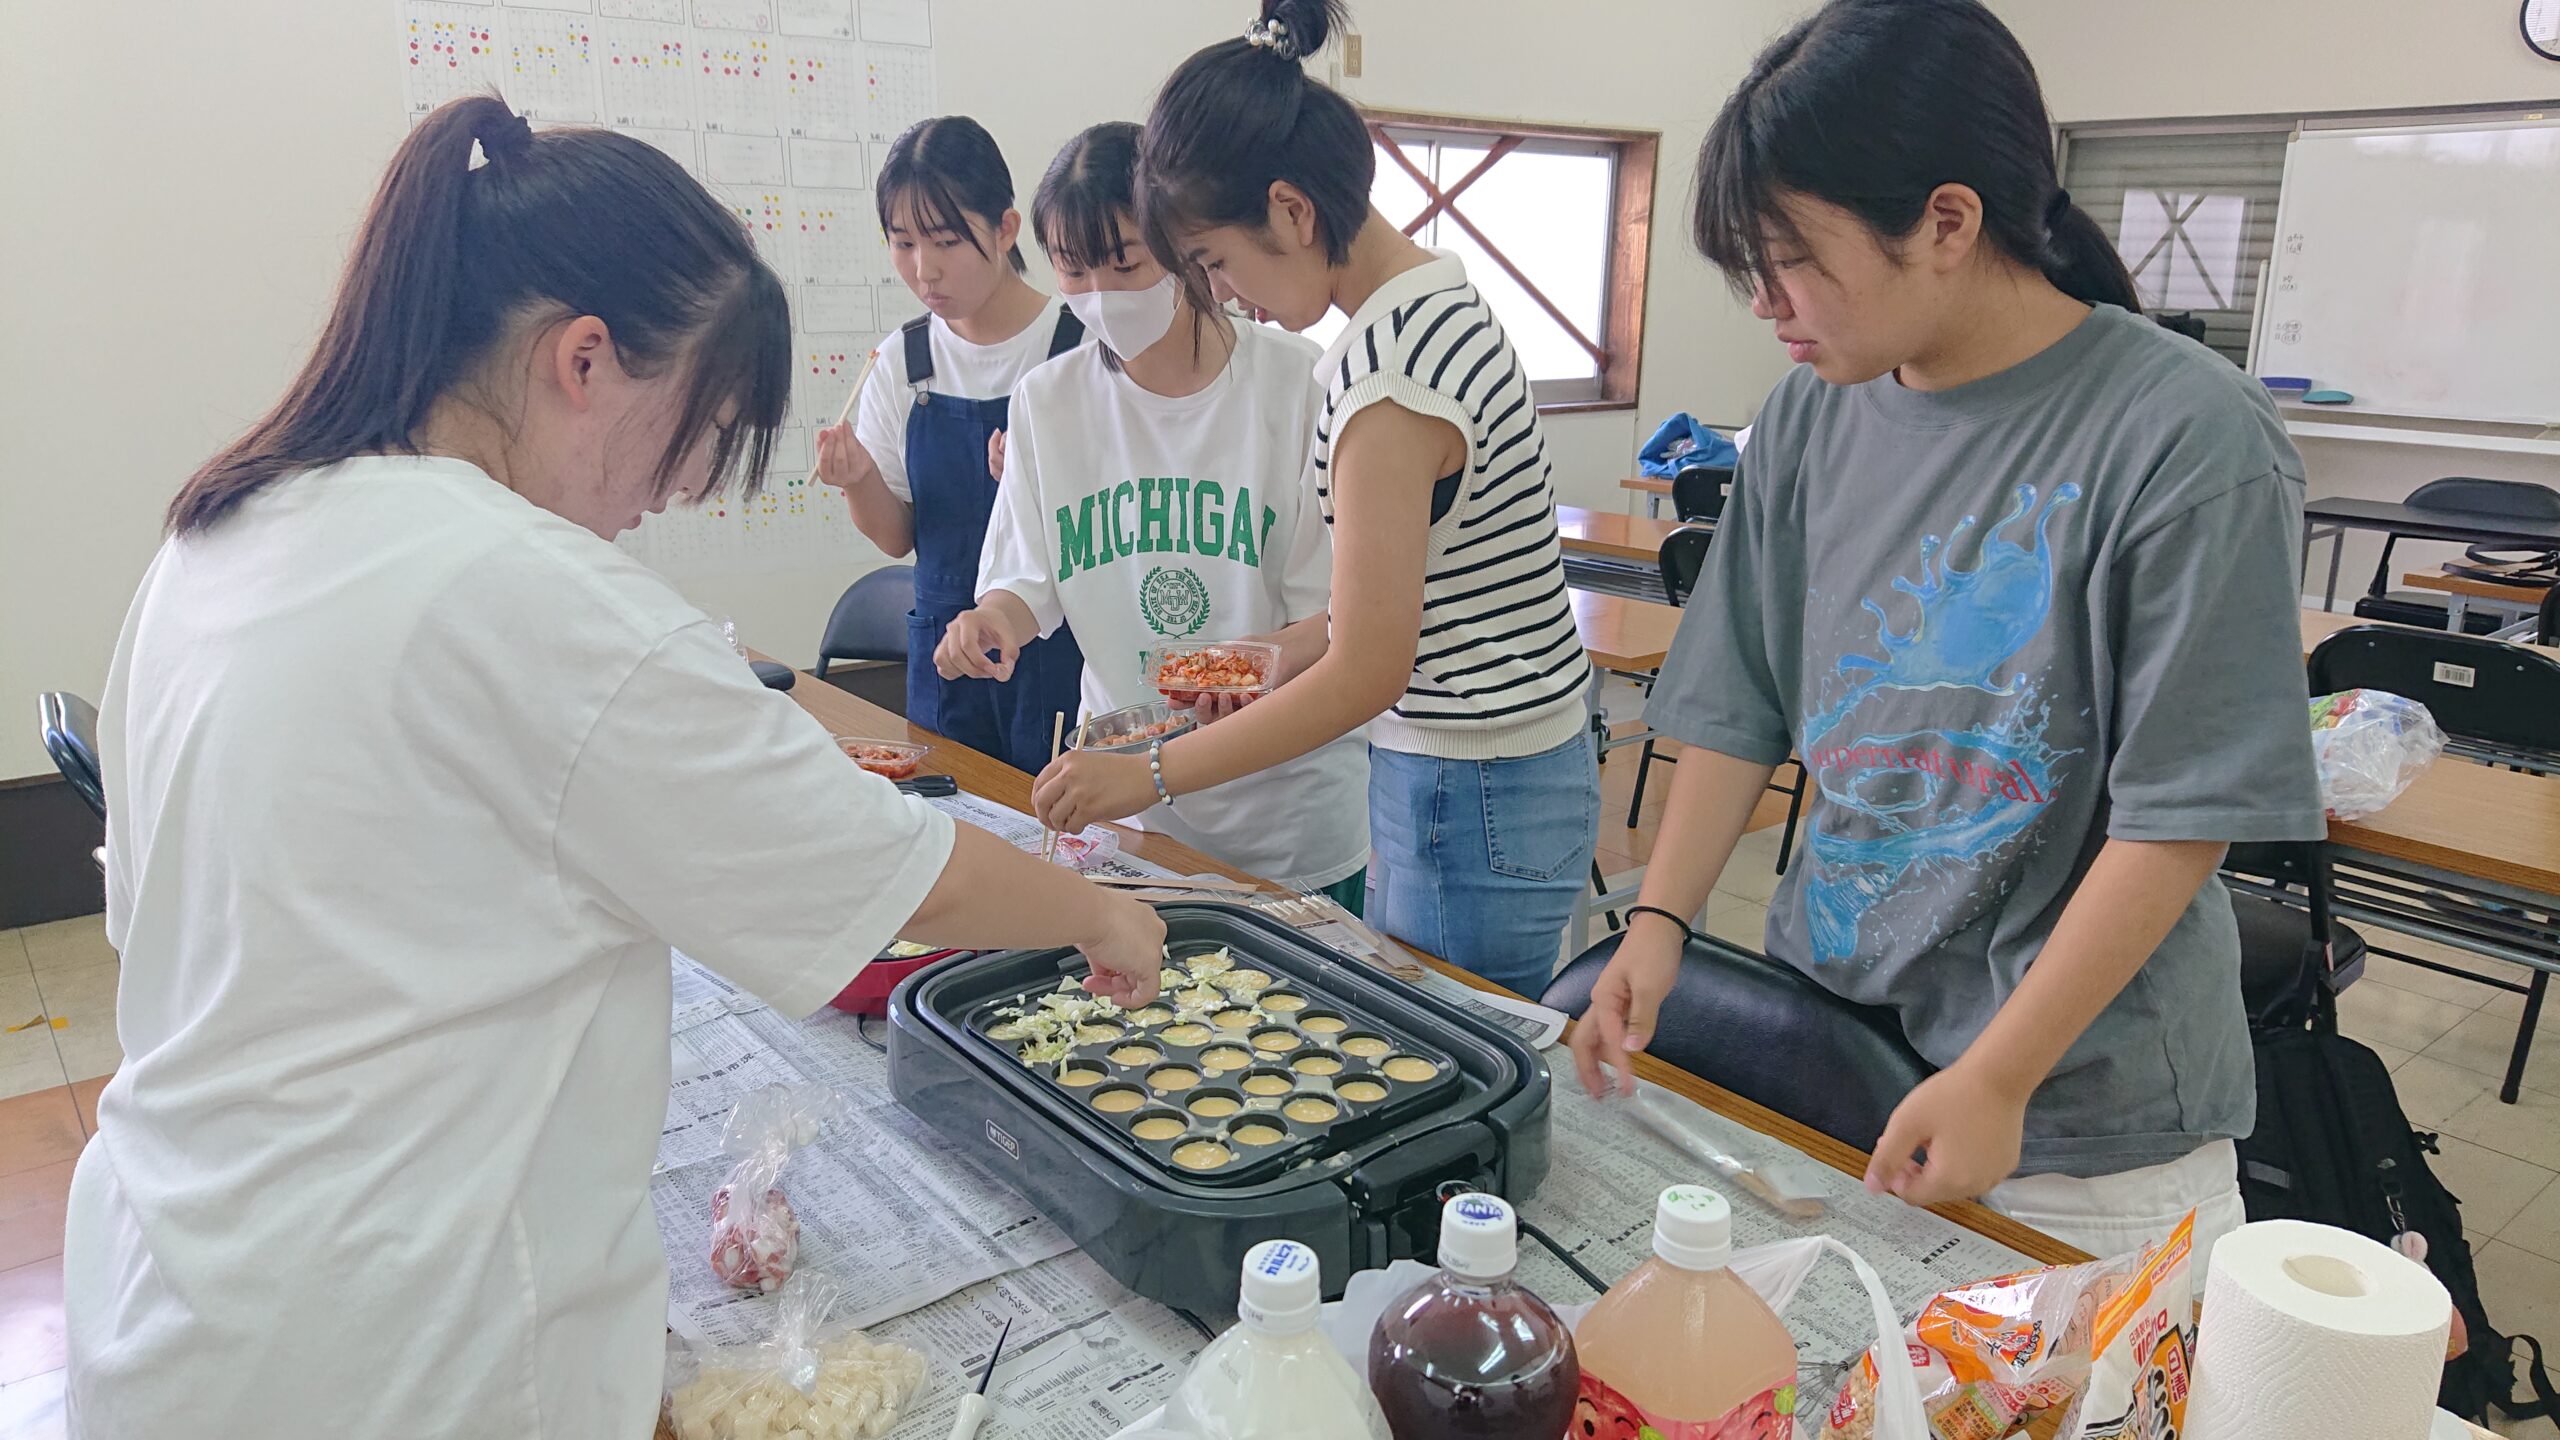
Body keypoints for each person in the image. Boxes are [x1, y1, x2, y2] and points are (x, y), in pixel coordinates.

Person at [70, 97, 1162, 1440]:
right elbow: (894, 874)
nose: (670, 497)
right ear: (585, 361)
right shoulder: (539, 595)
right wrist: (1107, 912)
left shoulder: (220, 531)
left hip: (162, 1305)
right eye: (695, 439)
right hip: (393, 1355)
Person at [1566, 0, 2323, 1266]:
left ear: (1947, 222)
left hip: (2077, 1115)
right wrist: (1660, 925)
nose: (1765, 303)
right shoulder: (1814, 412)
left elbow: (2179, 815)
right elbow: (1738, 698)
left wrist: (2001, 1078)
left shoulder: (2186, 436)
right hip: (1836, 1033)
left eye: (1788, 259)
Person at [1033, 0, 1599, 997]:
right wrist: (1270, 655)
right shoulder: (1436, 298)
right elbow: (1375, 610)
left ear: (1291, 211)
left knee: (1450, 1055)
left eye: (1212, 262)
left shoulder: (1382, 377)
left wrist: (1151, 775)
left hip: (1472, 783)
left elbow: (1365, 673)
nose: (1225, 292)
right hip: (1501, 765)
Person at [939, 122, 1371, 908]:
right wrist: (989, 625)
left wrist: (1247, 665)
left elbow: (1344, 622)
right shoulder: (1050, 400)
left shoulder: (1298, 384)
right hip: (1128, 817)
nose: (1101, 293)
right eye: (1073, 271)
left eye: (1125, 261)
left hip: (1285, 826)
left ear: (1183, 244)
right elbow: (1023, 580)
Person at [814, 116, 1087, 774]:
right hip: (942, 653)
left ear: (1005, 229)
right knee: (948, 822)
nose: (923, 269)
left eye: (943, 241)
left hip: (1054, 649)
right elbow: (897, 536)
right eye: (902, 243)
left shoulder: (1075, 347)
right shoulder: (904, 361)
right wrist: (858, 480)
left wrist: (1039, 476)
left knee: (1059, 839)